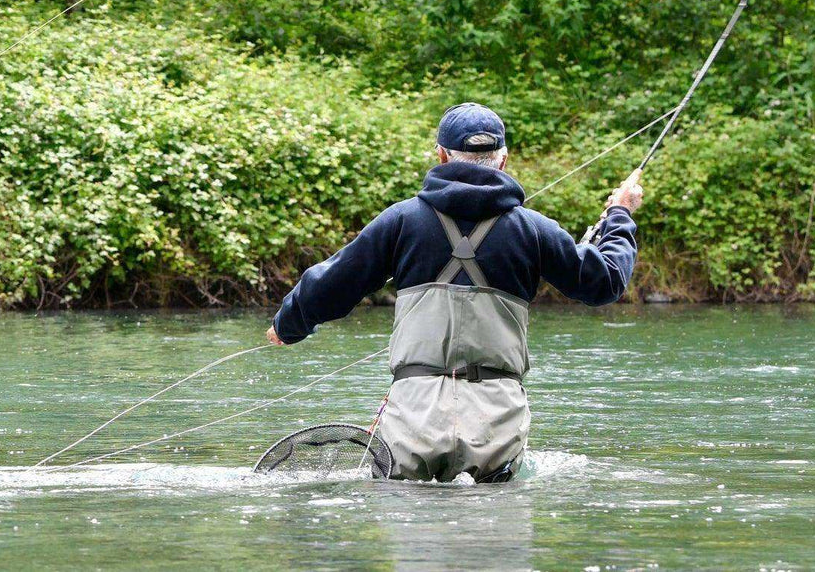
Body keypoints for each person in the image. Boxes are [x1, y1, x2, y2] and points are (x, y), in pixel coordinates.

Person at [266, 102, 643, 483]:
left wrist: (288, 325)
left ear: (442, 156)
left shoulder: (401, 220)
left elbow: (332, 283)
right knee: (492, 530)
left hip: (415, 414)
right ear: (504, 160)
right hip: (497, 415)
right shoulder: (533, 229)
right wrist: (620, 215)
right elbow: (605, 281)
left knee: (415, 525)